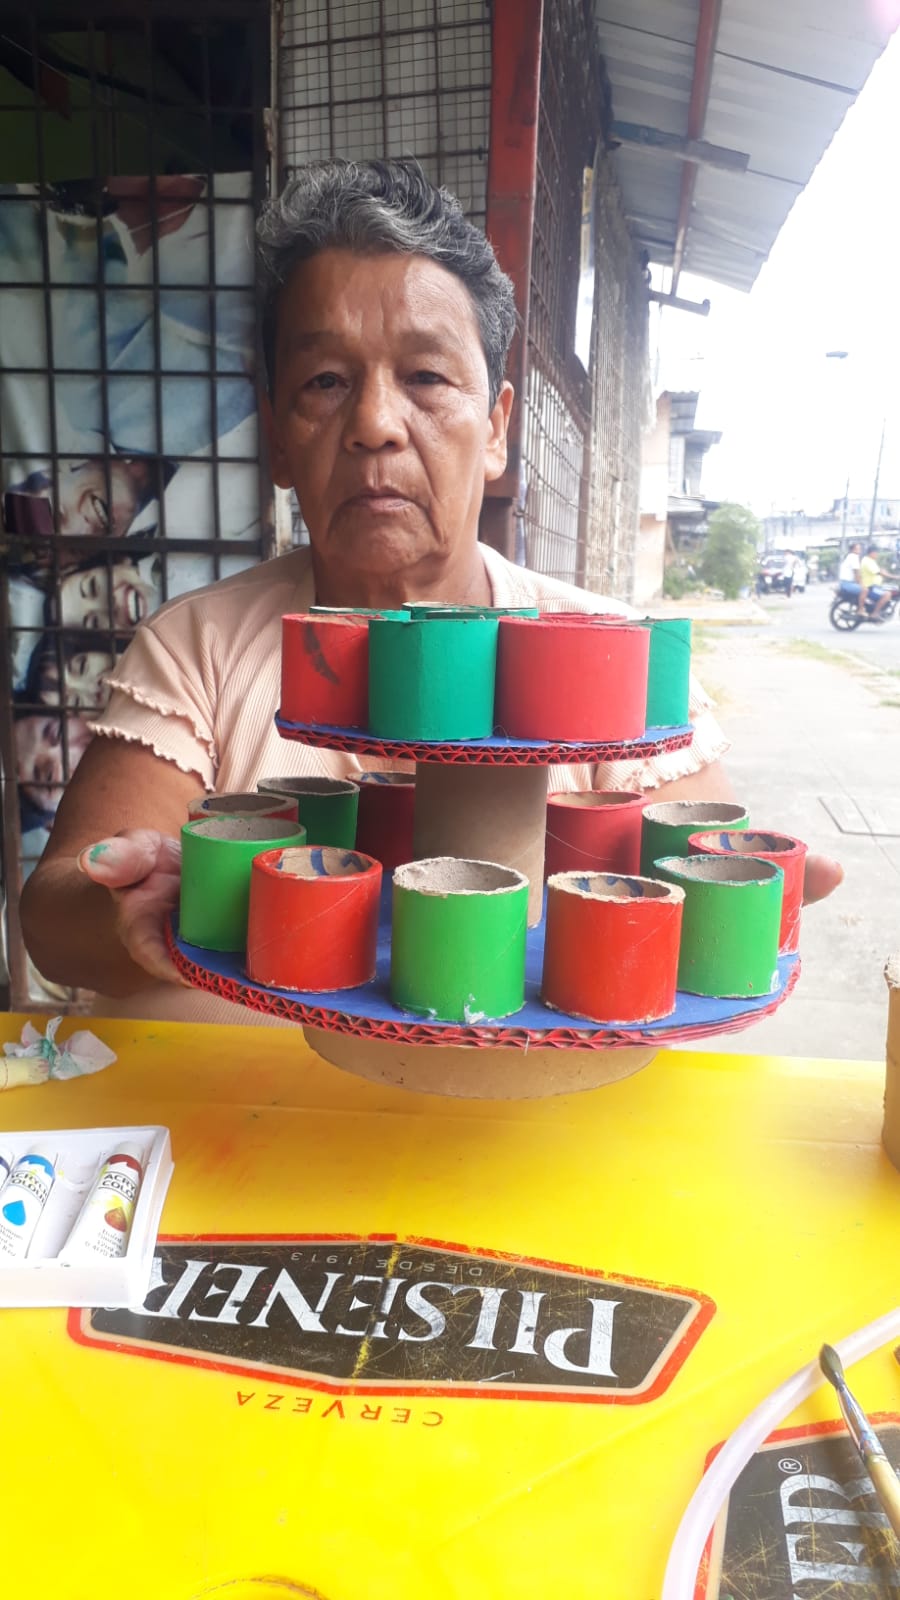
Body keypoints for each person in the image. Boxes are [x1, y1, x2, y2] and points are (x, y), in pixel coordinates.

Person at [19, 159, 843, 1025]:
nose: (375, 424)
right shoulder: (199, 647)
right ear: (278, 441)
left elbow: (702, 909)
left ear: (496, 429)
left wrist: (734, 917)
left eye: (426, 378)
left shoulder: (611, 656)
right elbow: (55, 921)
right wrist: (142, 906)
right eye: (324, 381)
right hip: (259, 1104)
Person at [860, 544, 891, 620]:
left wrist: (884, 572)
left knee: (888, 589)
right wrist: (895, 577)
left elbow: (879, 570)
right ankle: (875, 613)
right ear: (872, 553)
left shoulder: (871, 560)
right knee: (887, 594)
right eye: (876, 552)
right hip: (870, 587)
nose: (877, 554)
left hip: (875, 586)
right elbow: (879, 572)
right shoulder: (867, 561)